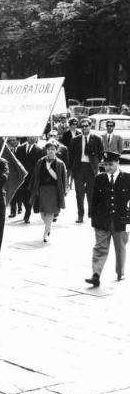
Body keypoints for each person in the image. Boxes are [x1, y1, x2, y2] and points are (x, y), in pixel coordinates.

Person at [85, 151, 130, 286]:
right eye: (105, 165)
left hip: (121, 219)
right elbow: (94, 200)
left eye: (111, 164)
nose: (108, 167)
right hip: (102, 219)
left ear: (118, 163)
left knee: (120, 247)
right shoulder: (99, 178)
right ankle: (96, 275)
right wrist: (93, 217)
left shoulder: (128, 178)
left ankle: (120, 272)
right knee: (100, 247)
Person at [28, 140, 67, 242]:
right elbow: (35, 176)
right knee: (42, 212)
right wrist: (33, 188)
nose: (50, 151)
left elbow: (59, 179)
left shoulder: (60, 163)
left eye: (52, 149)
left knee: (50, 211)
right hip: (41, 189)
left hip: (53, 190)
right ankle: (48, 226)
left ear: (56, 150)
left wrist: (49, 168)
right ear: (46, 150)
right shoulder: (40, 161)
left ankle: (46, 232)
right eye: (48, 149)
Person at [70, 118, 104, 223]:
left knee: (92, 192)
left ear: (90, 126)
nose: (84, 128)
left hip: (91, 168)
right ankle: (80, 215)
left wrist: (96, 163)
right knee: (79, 194)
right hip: (79, 168)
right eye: (82, 126)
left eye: (86, 126)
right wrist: (72, 171)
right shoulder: (75, 140)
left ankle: (91, 213)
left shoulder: (97, 138)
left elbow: (101, 153)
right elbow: (71, 155)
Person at [15, 136, 43, 223]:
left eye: (34, 137)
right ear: (27, 137)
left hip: (32, 177)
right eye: (30, 136)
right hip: (22, 176)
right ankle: (27, 209)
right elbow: (16, 162)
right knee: (23, 195)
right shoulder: (20, 149)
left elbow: (39, 164)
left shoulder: (39, 150)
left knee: (30, 195)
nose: (32, 138)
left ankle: (28, 213)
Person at [7, 137, 23, 218]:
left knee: (20, 193)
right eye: (10, 141)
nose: (12, 142)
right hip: (12, 175)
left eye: (14, 140)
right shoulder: (8, 151)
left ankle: (20, 207)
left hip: (21, 174)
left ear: (18, 141)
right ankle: (13, 211)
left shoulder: (22, 149)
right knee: (13, 192)